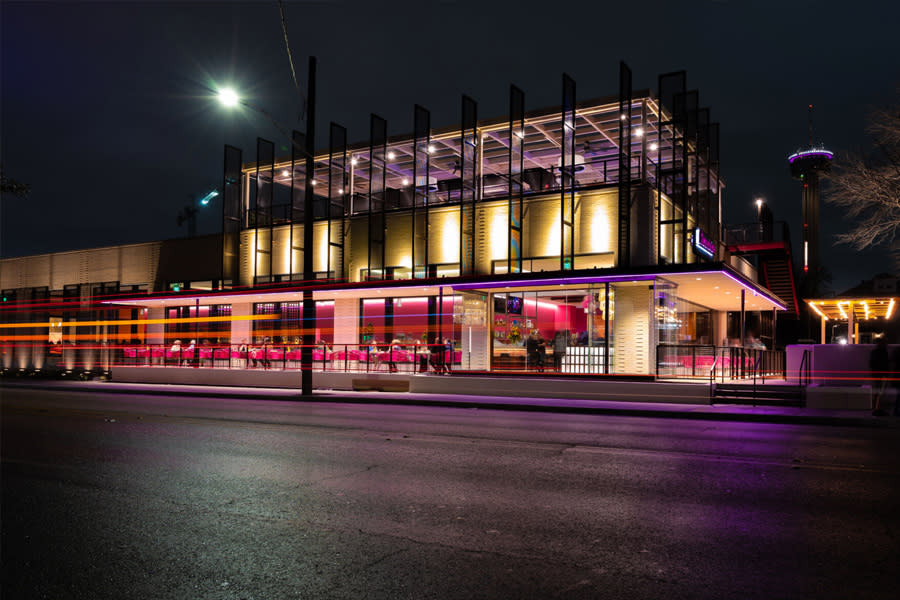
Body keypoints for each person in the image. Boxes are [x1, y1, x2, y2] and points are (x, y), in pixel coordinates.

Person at [870, 336, 890, 416]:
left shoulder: (874, 352)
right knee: (880, 392)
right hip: (881, 374)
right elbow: (885, 364)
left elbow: (872, 364)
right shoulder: (883, 352)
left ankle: (876, 408)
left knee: (877, 392)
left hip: (876, 374)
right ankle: (878, 409)